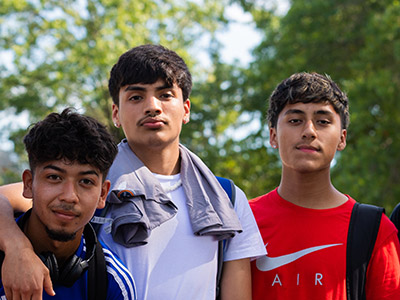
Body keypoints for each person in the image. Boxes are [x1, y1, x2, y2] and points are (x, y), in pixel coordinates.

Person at [0, 44, 266, 300]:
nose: (152, 106)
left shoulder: (225, 198)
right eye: (136, 97)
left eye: (165, 95)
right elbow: (6, 199)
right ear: (116, 113)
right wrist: (17, 248)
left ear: (186, 109)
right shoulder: (88, 182)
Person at [249, 72, 400, 299]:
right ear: (273, 136)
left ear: (342, 138)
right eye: (295, 120)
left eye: (323, 121)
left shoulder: (376, 230)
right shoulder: (242, 221)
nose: (309, 131)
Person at [0, 108, 136, 300]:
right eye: (54, 177)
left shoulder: (111, 283)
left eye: (86, 181)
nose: (69, 196)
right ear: (29, 184)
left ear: (102, 194)